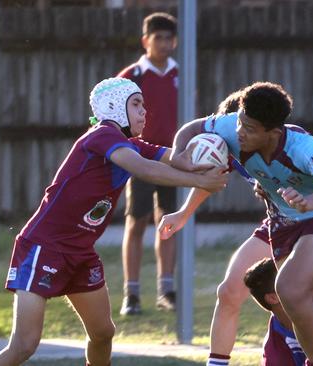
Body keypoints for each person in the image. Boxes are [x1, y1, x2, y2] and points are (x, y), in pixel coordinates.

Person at [0, 77, 228, 366]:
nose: (143, 112)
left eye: (143, 106)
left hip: (81, 253)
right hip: (43, 247)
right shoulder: (102, 135)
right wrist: (197, 181)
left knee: (103, 333)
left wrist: (202, 157)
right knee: (24, 345)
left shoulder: (130, 143)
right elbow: (144, 168)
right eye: (136, 104)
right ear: (114, 107)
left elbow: (174, 158)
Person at [160, 86, 313, 366]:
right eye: (240, 123)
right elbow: (192, 128)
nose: (240, 132)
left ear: (274, 133)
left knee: (289, 288)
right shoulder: (235, 127)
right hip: (282, 222)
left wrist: (310, 202)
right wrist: (177, 156)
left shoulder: (302, 147)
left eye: (250, 129)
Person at [117, 12, 180, 315]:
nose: (165, 44)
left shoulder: (183, 72)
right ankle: (132, 294)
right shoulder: (132, 76)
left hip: (172, 158)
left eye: (169, 38)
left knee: (168, 223)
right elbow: (114, 117)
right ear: (146, 41)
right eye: (159, 38)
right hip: (140, 158)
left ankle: (167, 290)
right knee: (137, 221)